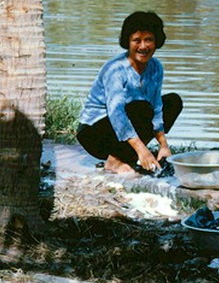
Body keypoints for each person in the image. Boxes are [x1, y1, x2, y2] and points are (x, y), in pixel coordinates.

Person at [76, 10, 182, 175]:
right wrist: (142, 149)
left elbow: (156, 107)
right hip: (94, 134)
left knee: (173, 101)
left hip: (128, 122)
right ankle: (115, 161)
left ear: (157, 42)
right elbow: (116, 113)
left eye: (149, 40)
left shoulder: (156, 67)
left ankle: (128, 154)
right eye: (136, 40)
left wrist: (163, 145)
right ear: (128, 42)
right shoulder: (116, 69)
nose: (143, 47)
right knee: (141, 108)